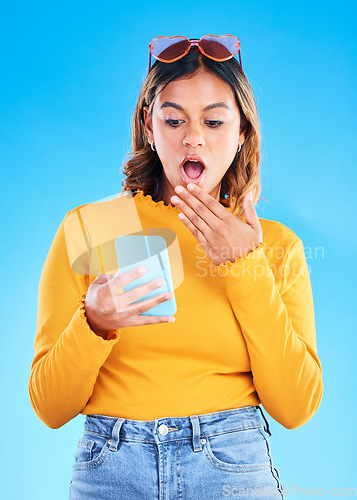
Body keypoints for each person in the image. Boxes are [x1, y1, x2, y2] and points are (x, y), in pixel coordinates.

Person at [28, 35, 323, 499]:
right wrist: (94, 323)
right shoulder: (95, 226)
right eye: (173, 119)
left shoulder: (276, 246)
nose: (193, 137)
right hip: (111, 468)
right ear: (149, 125)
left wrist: (245, 265)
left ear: (242, 129)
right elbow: (49, 407)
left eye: (214, 120)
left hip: (232, 467)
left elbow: (296, 406)